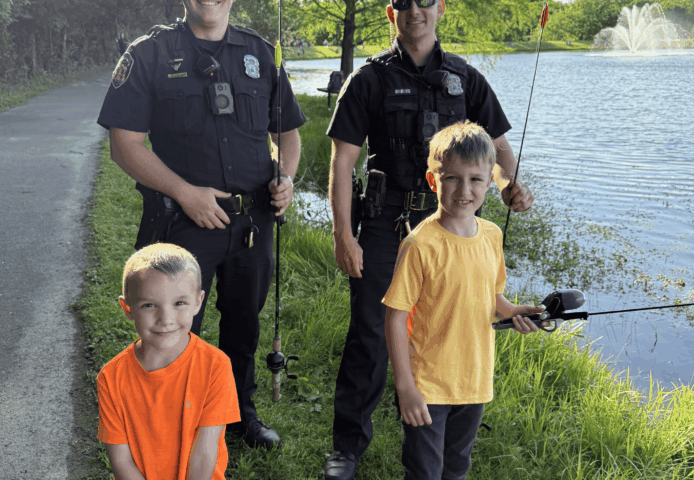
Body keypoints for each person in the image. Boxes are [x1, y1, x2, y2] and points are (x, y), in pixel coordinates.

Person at [324, 0, 535, 478]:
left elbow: (497, 148)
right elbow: (342, 163)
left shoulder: (467, 79)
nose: (415, 11)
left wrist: (507, 185)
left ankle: (434, 421)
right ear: (390, 11)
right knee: (372, 332)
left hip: (451, 226)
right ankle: (347, 447)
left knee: (449, 325)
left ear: (440, 8)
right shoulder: (369, 80)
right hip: (384, 223)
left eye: (426, 1)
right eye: (405, 3)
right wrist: (343, 234)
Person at [97, 0, 306, 450]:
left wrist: (285, 176)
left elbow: (287, 133)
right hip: (183, 221)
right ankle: (171, 419)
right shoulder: (149, 53)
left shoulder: (261, 53)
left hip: (252, 221)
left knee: (243, 322)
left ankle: (238, 414)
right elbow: (124, 145)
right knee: (172, 327)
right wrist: (184, 193)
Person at [383, 121, 545, 480]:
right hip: (428, 385)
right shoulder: (419, 246)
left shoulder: (491, 235)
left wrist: (515, 312)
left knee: (456, 468)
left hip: (475, 380)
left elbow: (492, 297)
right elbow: (395, 318)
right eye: (452, 178)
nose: (464, 190)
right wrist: (405, 387)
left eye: (475, 179)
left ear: (490, 182)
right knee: (425, 471)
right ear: (432, 181)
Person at [97, 243, 240, 480]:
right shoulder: (111, 378)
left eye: (179, 303)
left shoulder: (216, 366)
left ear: (198, 301)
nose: (166, 319)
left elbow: (204, 454)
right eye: (149, 305)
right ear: (128, 308)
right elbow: (121, 461)